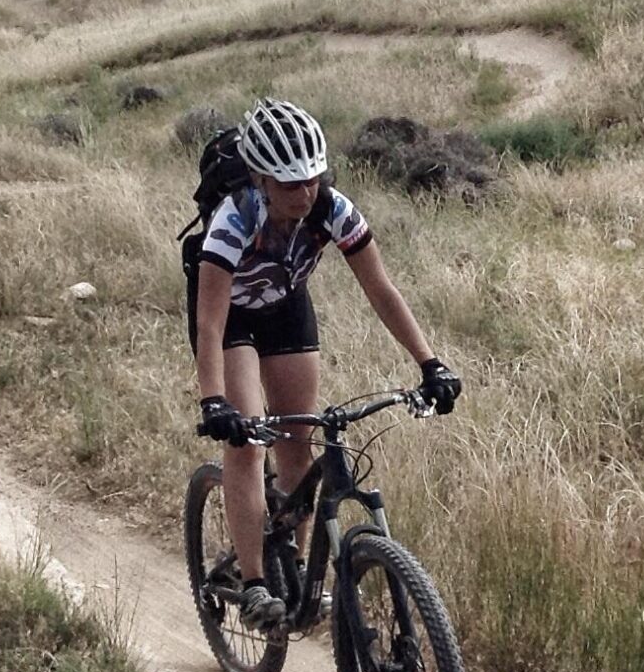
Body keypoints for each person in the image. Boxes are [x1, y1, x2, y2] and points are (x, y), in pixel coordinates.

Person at [191, 98, 461, 629]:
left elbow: (381, 290)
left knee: (299, 437)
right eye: (290, 184)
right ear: (262, 181)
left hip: (286, 307)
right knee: (246, 444)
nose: (305, 192)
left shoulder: (334, 210)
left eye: (313, 178)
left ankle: (297, 567)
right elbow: (209, 324)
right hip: (231, 318)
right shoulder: (233, 221)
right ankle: (255, 586)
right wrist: (214, 399)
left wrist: (430, 363)